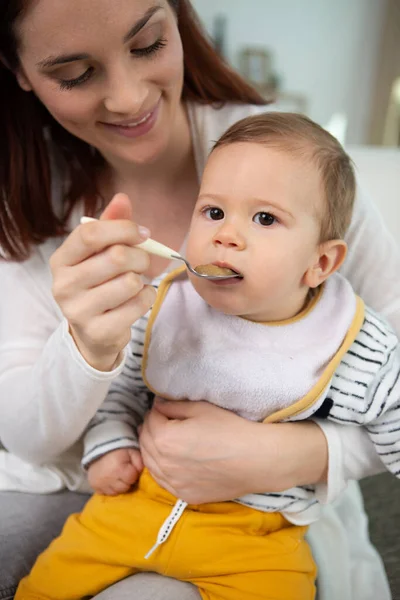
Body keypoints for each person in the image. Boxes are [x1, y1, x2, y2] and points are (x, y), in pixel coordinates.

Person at [0, 0, 398, 598]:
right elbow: (67, 418)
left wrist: (296, 454)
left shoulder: (300, 168)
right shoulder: (163, 299)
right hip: (104, 501)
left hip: (258, 529)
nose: (130, 98)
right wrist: (86, 348)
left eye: (148, 44)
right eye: (77, 74)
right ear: (20, 70)